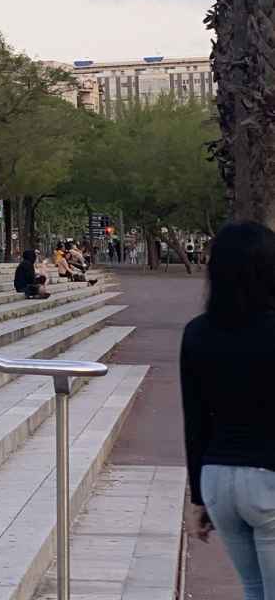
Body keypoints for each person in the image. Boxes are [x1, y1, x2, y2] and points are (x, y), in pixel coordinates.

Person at [182, 221, 275, 600]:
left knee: (254, 588)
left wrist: (201, 498)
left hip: (217, 478)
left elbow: (195, 419)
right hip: (268, 476)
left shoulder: (197, 332)